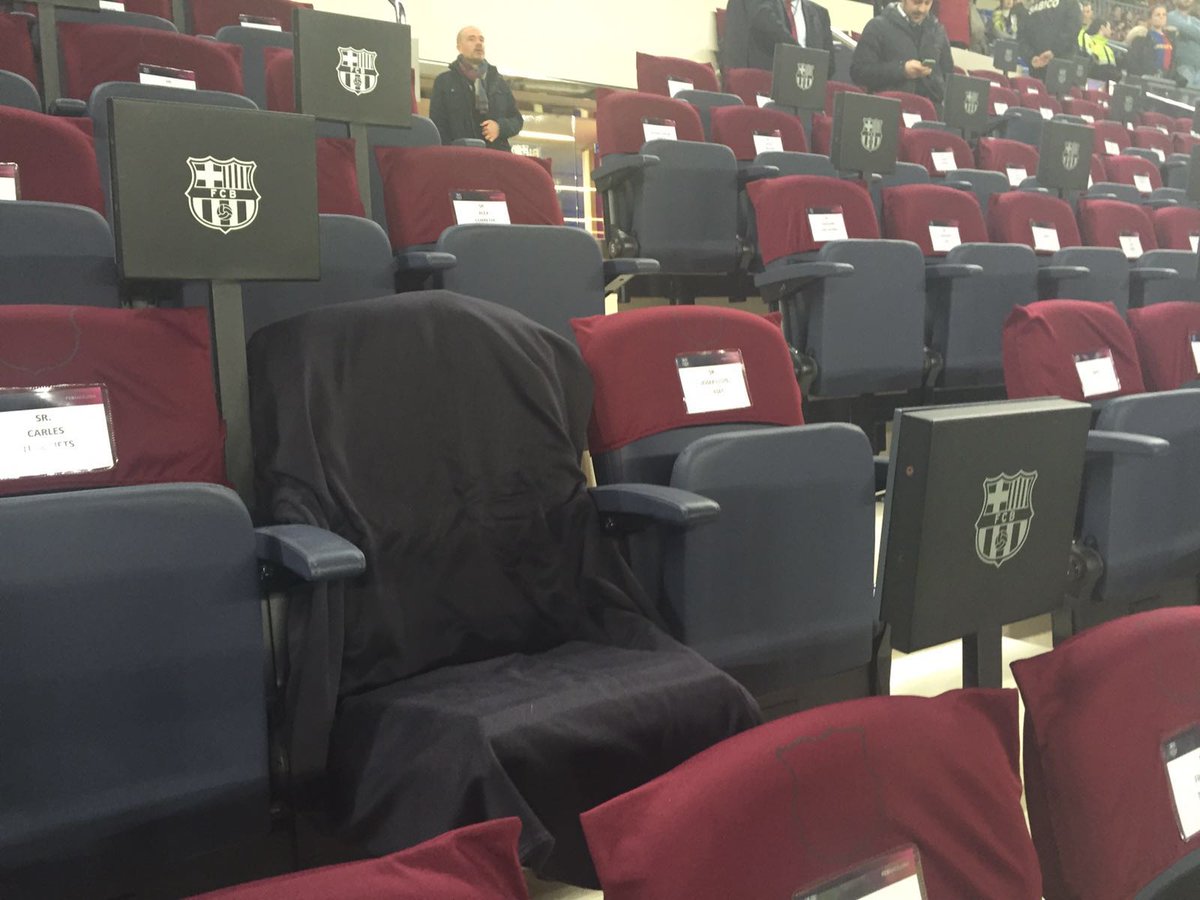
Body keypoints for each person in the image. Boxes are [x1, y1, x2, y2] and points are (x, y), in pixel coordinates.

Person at [428, 25, 523, 151]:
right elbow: (438, 125)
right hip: (460, 156)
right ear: (459, 47)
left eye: (481, 40)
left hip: (495, 157)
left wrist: (499, 127)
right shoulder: (445, 82)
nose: (478, 43)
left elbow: (516, 120)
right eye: (471, 39)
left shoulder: (498, 82)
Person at [849, 0, 953, 105]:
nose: (922, 9)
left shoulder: (937, 31)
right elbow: (859, 72)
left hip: (930, 107)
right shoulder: (877, 26)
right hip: (888, 107)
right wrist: (902, 70)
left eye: (927, 3)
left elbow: (948, 76)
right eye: (917, 2)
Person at [720, 0, 836, 77]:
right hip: (761, 88)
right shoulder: (756, 5)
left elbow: (828, 66)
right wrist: (803, 57)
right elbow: (766, 24)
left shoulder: (820, 14)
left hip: (807, 94)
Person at [1018, 0, 1082, 80]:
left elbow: (1072, 29)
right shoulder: (1029, 5)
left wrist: (1054, 51)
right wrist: (1031, 57)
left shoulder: (1069, 3)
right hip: (1037, 67)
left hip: (1062, 65)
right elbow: (1021, 36)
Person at [1125, 4, 1186, 83]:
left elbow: (1172, 62)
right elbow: (1134, 61)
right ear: (1150, 19)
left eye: (1164, 15)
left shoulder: (1170, 40)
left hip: (1166, 81)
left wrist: (1176, 77)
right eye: (1158, 15)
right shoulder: (1142, 37)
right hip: (1148, 80)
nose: (1161, 17)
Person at [1167, 0, 1200, 87]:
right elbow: (1183, 27)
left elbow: (1186, 29)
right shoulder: (1170, 16)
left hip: (1198, 67)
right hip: (1183, 65)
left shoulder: (1196, 21)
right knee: (1183, 94)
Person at [1082, 17, 1121, 81]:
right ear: (1102, 28)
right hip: (1093, 83)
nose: (1111, 31)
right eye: (1109, 28)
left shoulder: (1108, 49)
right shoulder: (1089, 43)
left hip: (1108, 84)